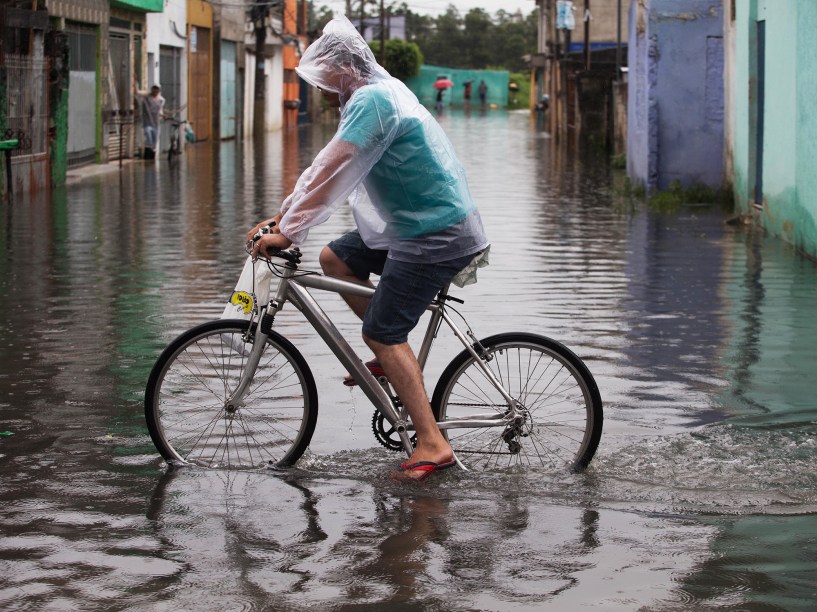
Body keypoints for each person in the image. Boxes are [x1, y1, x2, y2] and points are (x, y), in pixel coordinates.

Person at [245, 16, 489, 481]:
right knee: (336, 258)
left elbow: (331, 170)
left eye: (322, 77)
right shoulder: (376, 95)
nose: (318, 89)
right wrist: (283, 218)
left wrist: (289, 231)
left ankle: (433, 442)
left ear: (343, 68)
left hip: (434, 233)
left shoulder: (374, 100)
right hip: (416, 226)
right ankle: (394, 358)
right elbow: (323, 168)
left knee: (381, 331)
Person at [134, 83, 165, 159]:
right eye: (154, 88)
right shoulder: (146, 97)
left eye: (157, 89)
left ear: (159, 90)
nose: (155, 90)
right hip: (147, 123)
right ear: (151, 89)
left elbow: (160, 111)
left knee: (154, 142)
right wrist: (136, 83)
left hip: (156, 123)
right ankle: (147, 158)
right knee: (148, 139)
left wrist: (163, 115)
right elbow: (137, 92)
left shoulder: (161, 100)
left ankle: (152, 159)